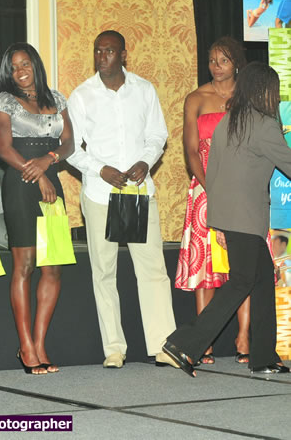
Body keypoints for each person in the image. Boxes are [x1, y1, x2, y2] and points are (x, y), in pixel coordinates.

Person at [162, 62, 291, 376]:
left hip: (228, 215)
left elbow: (213, 172)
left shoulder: (229, 120)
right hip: (247, 217)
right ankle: (182, 344)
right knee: (241, 283)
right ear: (266, 92)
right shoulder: (263, 124)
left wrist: (216, 221)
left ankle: (262, 356)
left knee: (261, 282)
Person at [66, 30, 177, 369]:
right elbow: (71, 149)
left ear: (124, 55)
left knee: (153, 270)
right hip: (102, 194)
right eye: (98, 51)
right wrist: (100, 170)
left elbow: (158, 134)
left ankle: (162, 345)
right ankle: (114, 348)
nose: (102, 56)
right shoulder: (82, 95)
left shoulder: (143, 90)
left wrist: (146, 159)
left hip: (137, 193)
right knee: (104, 272)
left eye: (110, 51)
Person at [0, 42, 74, 374]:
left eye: (25, 64)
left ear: (35, 64)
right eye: (13, 67)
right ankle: (25, 347)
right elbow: (3, 148)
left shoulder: (57, 99)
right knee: (24, 266)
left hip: (51, 183)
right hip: (22, 185)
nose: (20, 71)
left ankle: (40, 344)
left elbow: (68, 142)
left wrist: (49, 160)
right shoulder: (4, 101)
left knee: (52, 268)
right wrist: (37, 174)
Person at [176, 36, 251, 365]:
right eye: (211, 61)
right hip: (206, 188)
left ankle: (244, 335)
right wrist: (208, 187)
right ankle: (203, 338)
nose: (216, 67)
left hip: (242, 188)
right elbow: (191, 152)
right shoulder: (196, 98)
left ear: (236, 62)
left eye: (222, 60)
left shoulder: (248, 96)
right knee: (205, 264)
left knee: (243, 265)